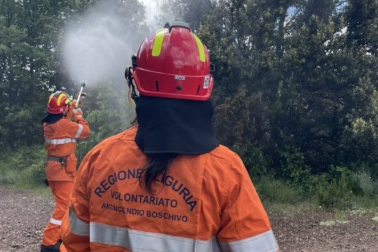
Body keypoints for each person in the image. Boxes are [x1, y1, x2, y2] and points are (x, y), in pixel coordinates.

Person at [61, 21, 279, 251]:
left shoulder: (99, 159)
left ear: (135, 83)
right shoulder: (226, 171)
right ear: (206, 86)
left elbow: (74, 243)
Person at [40, 90, 90, 252]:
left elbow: (63, 120)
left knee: (64, 204)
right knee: (64, 207)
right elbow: (84, 132)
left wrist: (73, 105)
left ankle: (59, 237)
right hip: (62, 173)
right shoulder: (64, 125)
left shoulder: (49, 124)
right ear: (64, 110)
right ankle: (49, 242)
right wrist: (79, 114)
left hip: (54, 171)